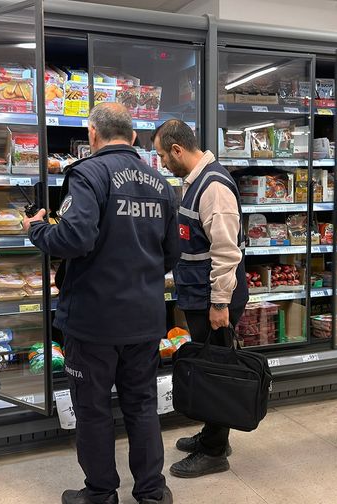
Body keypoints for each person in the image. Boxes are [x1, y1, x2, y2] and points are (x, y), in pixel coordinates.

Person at [24, 102, 178, 504]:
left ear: (92, 135)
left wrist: (37, 229)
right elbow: (171, 254)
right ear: (132, 136)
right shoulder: (160, 183)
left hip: (93, 320)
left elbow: (74, 239)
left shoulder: (88, 173)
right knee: (142, 405)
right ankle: (152, 492)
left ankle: (101, 492)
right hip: (144, 316)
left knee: (92, 409)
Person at [151, 119, 248, 478]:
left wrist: (220, 304)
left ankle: (215, 451)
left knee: (216, 373)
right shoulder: (194, 183)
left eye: (162, 155)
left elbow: (225, 251)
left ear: (178, 150)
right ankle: (212, 434)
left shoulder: (213, 187)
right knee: (209, 367)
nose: (162, 162)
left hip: (214, 299)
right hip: (199, 294)